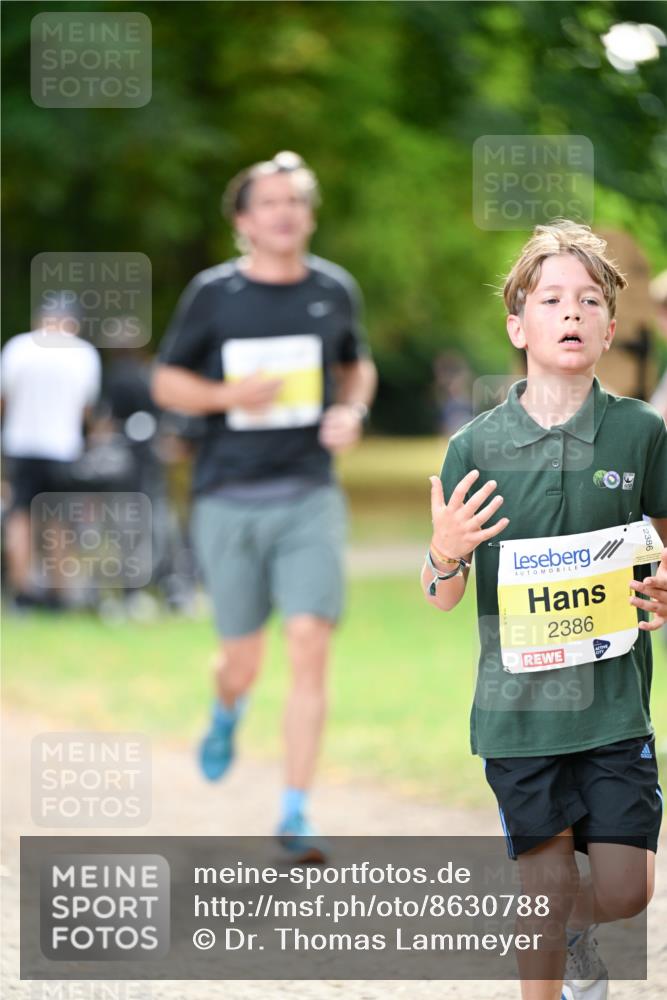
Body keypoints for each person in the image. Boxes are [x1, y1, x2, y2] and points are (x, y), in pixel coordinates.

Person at [422, 221, 667, 1000]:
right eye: (552, 298)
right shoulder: (474, 448)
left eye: (588, 299)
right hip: (517, 715)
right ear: (516, 324)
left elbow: (661, 552)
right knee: (543, 876)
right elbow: (440, 595)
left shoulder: (640, 434)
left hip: (612, 710)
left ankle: (571, 927)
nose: (571, 312)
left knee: (626, 888)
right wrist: (444, 551)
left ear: (608, 326)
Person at [152, 152, 376, 860]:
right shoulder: (213, 295)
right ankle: (226, 708)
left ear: (308, 216)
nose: (284, 213)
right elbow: (166, 383)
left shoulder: (333, 289)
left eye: (296, 202)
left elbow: (355, 364)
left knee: (310, 644)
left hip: (309, 492)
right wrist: (225, 398)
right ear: (243, 220)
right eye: (269, 203)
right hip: (227, 495)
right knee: (240, 659)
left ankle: (295, 810)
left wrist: (351, 411)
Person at [1, 295, 101, 608]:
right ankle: (58, 594)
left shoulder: (19, 348)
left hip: (20, 444)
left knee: (20, 516)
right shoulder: (82, 354)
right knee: (59, 521)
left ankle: (22, 592)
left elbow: (3, 399)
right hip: (63, 447)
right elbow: (87, 409)